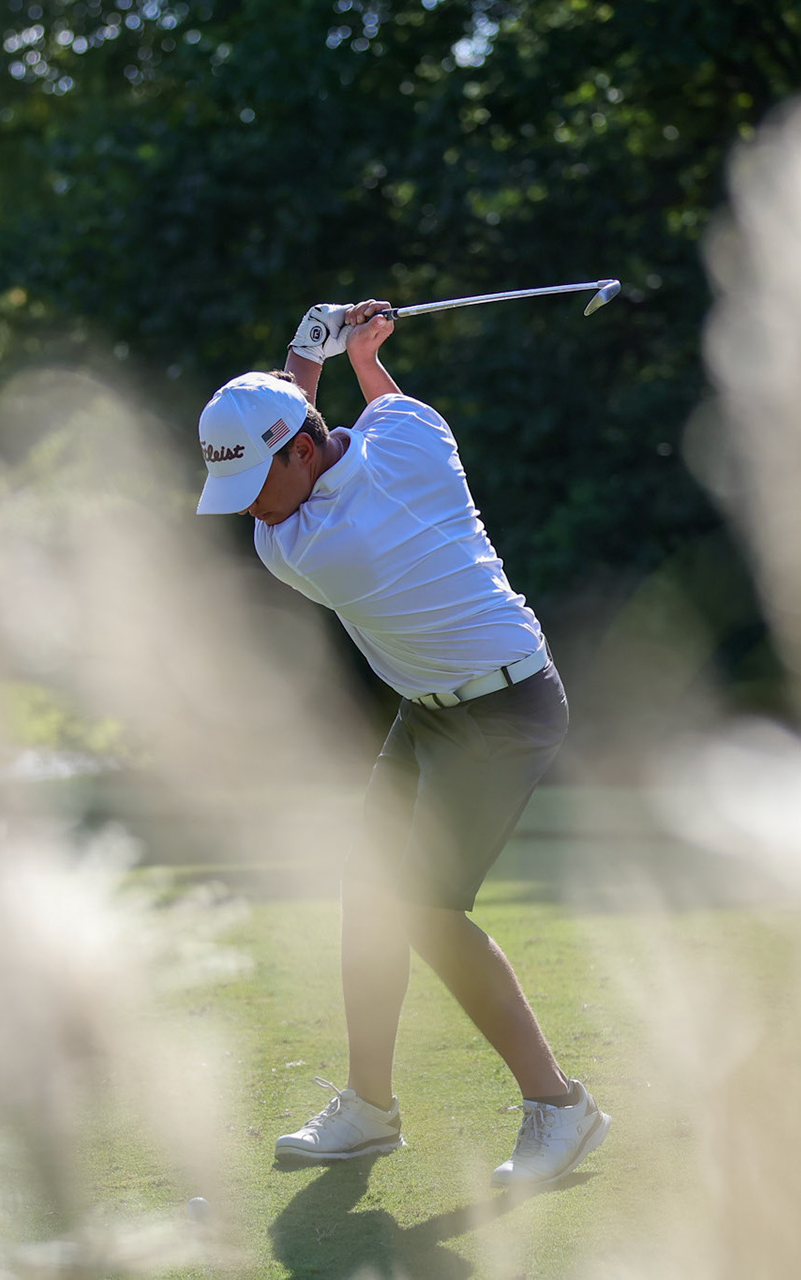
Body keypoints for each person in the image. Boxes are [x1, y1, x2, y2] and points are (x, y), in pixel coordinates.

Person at [194, 299, 610, 1187]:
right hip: (430, 708)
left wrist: (310, 349)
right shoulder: (416, 432)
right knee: (369, 891)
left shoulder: (309, 545)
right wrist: (361, 355)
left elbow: (307, 423)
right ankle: (370, 1111)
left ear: (303, 449)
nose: (248, 508)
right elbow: (372, 408)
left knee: (428, 909)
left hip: (506, 711)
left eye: (254, 482)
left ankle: (561, 1109)